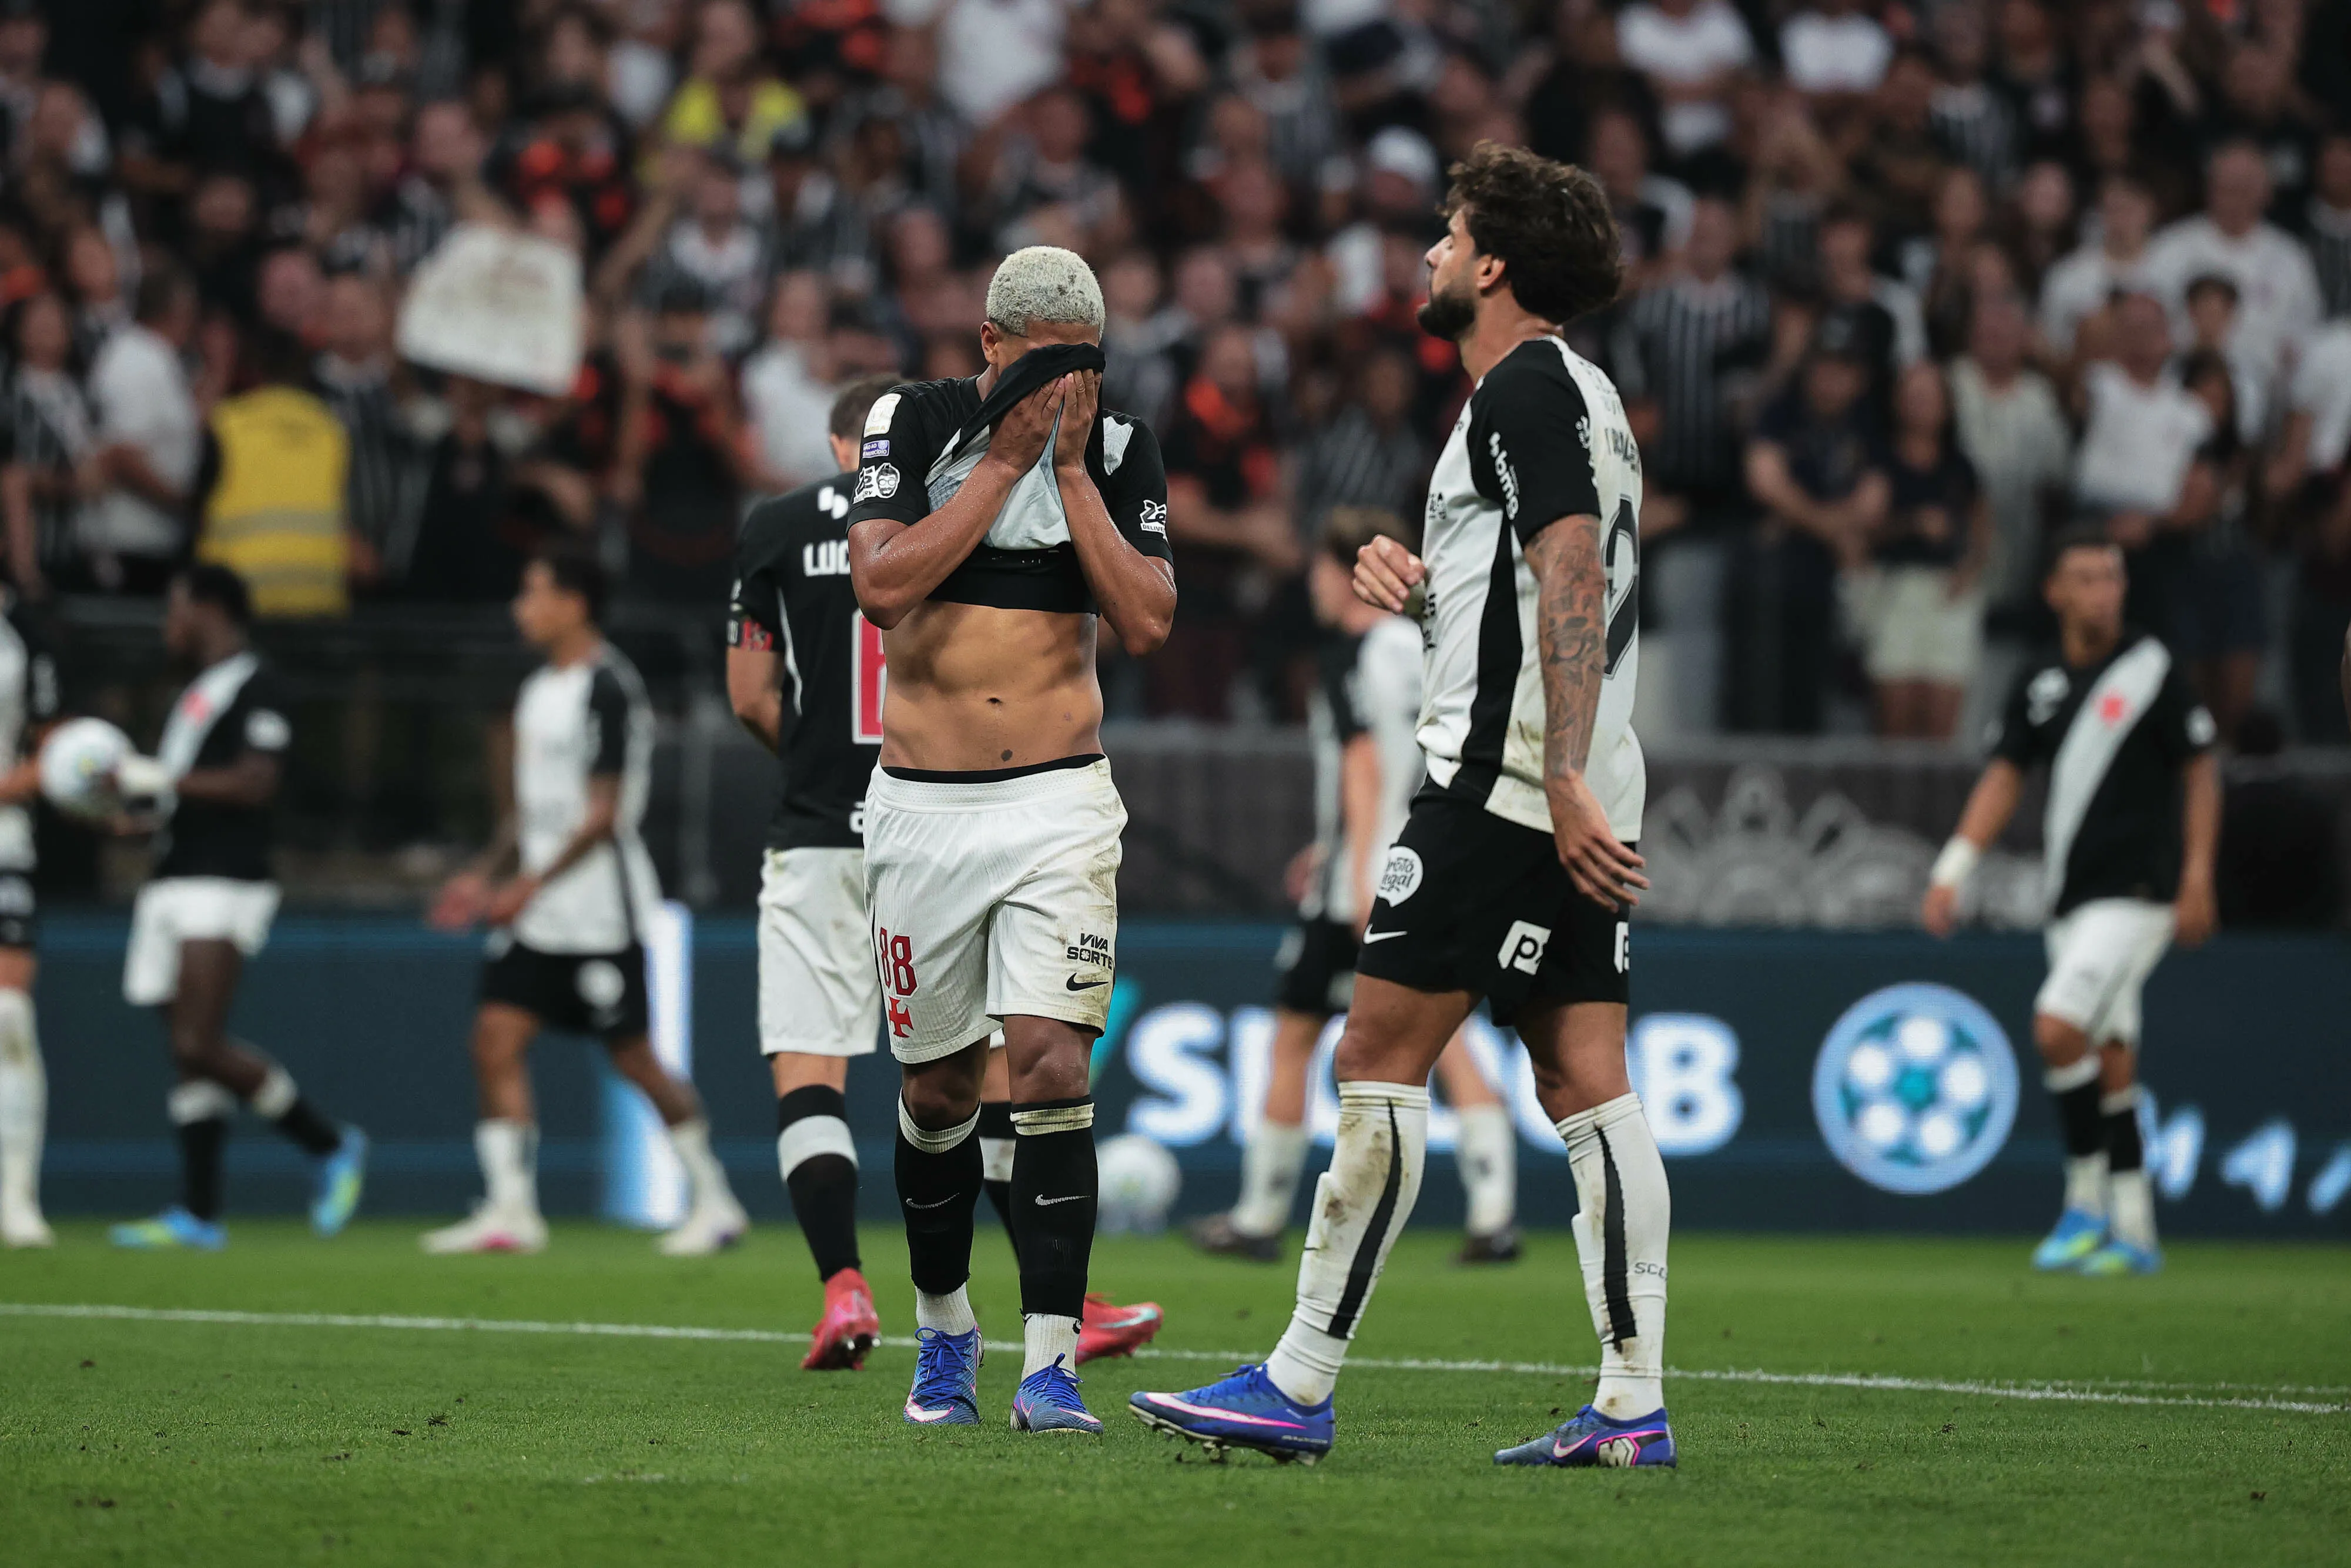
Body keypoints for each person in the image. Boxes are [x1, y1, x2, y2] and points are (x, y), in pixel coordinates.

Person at [1133, 142, 1671, 1470]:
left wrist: (1543, 774)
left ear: (1491, 264)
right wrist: (1426, 590)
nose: (1426, 253)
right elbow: (1535, 578)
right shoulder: (1583, 396)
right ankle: (1628, 1406)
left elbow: (1567, 576)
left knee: (1372, 1055)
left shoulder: (1521, 391)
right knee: (1582, 1079)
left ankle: (1300, 1378)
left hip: (1504, 784)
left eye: (1444, 233)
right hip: (1574, 779)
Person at [731, 373, 1168, 1372]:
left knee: (820, 1067)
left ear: (840, 445)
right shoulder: (952, 490)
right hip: (947, 796)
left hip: (834, 828)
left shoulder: (775, 524)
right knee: (1011, 1073)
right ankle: (1060, 1300)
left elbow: (751, 693)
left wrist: (809, 767)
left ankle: (845, 1284)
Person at [843, 245, 1176, 1435]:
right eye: (1044, 364)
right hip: (924, 809)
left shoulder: (1122, 448)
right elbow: (881, 588)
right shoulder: (912, 422)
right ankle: (944, 1330)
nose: (1064, 387)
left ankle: (1050, 1364)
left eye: (1083, 366)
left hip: (1059, 804)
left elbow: (1144, 617)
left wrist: (1071, 471)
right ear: (990, 347)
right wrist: (1001, 457)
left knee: (1048, 1066)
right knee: (935, 1088)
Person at [1189, 508, 1519, 1267]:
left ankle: (1260, 1213)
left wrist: (1359, 867)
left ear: (1344, 572)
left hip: (1359, 887)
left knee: (1294, 1037)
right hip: (1429, 863)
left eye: (1318, 569)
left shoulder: (1352, 654)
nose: (1313, 583)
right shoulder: (1426, 646)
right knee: (1448, 1040)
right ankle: (1495, 1210)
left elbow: (1366, 766)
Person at [423, 542, 746, 1257]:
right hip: (537, 911)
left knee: (633, 1057)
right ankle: (511, 1210)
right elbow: (530, 814)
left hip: (599, 908)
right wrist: (485, 874)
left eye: (533, 591)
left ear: (574, 602)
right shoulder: (539, 690)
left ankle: (715, 1197)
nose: (521, 607)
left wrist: (524, 886)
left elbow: (602, 815)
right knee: (494, 1040)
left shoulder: (608, 686)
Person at [1921, 527, 2219, 1277]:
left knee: (2057, 1028)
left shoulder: (2151, 671)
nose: (2102, 591)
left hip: (2139, 895)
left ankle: (2083, 1203)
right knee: (2112, 1057)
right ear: (2054, 591)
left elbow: (2201, 769)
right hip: (2072, 899)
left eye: (2112, 577)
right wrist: (1954, 866)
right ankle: (2136, 1229)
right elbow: (2003, 775)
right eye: (2085, 577)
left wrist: (2197, 876)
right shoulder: (2041, 678)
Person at [109, 565, 369, 1250]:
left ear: (209, 607)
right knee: (186, 1053)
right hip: (172, 873)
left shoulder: (263, 686)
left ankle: (330, 1142)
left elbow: (255, 782)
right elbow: (180, 791)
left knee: (200, 1039)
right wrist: (137, 812)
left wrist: (158, 777)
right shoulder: (194, 693)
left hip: (224, 878)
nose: (168, 620)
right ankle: (200, 1213)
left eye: (175, 605)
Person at [1850, 361, 1987, 739]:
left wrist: (1971, 568)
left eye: (1930, 396)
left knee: (1942, 721)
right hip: (1897, 590)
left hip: (1948, 594)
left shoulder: (1961, 467)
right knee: (1896, 719)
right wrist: (1911, 523)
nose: (1921, 404)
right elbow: (1859, 532)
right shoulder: (1879, 462)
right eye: (1913, 396)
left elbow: (1983, 530)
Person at [0, 584, 57, 1247]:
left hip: (4, 840)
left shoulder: (21, 630)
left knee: (9, 1015)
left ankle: (17, 1199)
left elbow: (60, 752)